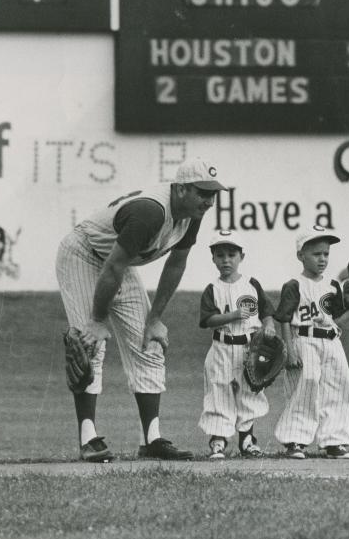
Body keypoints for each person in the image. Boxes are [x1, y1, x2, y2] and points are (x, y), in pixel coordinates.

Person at [55, 160, 225, 462]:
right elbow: (113, 267)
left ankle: (153, 439)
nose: (209, 201)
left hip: (118, 263)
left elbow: (176, 263)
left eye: (213, 194)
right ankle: (88, 438)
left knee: (149, 345)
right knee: (90, 346)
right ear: (181, 188)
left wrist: (155, 318)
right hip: (84, 254)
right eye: (202, 193)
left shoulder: (190, 213)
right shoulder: (151, 212)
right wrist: (96, 321)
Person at [273, 225, 349, 459]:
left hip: (332, 342)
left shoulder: (332, 286)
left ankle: (335, 441)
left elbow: (337, 322)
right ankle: (295, 441)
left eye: (326, 254)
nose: (322, 259)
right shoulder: (294, 285)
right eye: (316, 253)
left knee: (339, 388)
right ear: (301, 255)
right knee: (305, 388)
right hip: (304, 339)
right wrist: (289, 350)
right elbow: (284, 319)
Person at [197, 231, 277, 459]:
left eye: (231, 254)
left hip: (249, 348)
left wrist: (269, 326)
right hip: (222, 346)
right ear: (212, 258)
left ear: (241, 256)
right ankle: (218, 441)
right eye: (220, 255)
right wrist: (232, 315)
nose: (226, 260)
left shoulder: (251, 284)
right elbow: (207, 320)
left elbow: (267, 311)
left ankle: (247, 440)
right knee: (219, 391)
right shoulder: (212, 289)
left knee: (249, 392)